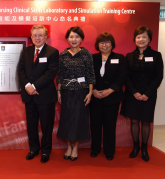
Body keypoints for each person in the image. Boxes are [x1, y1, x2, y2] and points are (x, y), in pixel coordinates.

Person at [120, 26, 163, 162]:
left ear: (149, 39)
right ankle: (135, 147)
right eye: (138, 37)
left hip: (148, 95)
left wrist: (147, 93)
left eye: (144, 37)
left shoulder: (156, 55)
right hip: (133, 94)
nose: (141, 39)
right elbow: (125, 76)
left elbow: (159, 76)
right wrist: (135, 93)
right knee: (134, 121)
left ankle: (144, 148)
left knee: (145, 122)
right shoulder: (129, 56)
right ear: (135, 39)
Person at [18, 25, 59, 163]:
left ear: (46, 37)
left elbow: (50, 74)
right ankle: (34, 149)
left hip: (45, 95)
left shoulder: (52, 52)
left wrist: (34, 86)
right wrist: (27, 86)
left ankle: (46, 151)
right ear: (31, 37)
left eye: (40, 35)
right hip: (29, 95)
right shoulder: (26, 51)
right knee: (31, 124)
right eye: (34, 35)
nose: (37, 38)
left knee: (47, 125)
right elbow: (21, 70)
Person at [56, 26, 95, 161]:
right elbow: (60, 75)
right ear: (67, 39)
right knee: (66, 120)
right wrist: (59, 90)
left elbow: (90, 75)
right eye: (71, 37)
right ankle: (68, 146)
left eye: (77, 37)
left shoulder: (87, 54)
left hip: (81, 91)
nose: (74, 39)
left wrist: (90, 92)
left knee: (79, 120)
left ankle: (76, 147)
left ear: (81, 39)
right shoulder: (63, 54)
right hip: (66, 92)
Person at [90, 32, 127, 160]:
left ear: (112, 44)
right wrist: (93, 90)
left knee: (110, 125)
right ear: (97, 44)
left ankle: (109, 150)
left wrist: (110, 90)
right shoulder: (92, 58)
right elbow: (89, 75)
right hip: (95, 97)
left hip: (112, 97)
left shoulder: (120, 58)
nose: (104, 45)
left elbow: (122, 76)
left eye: (107, 42)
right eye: (101, 42)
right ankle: (95, 149)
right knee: (95, 124)